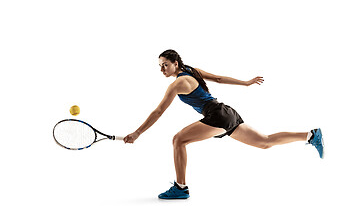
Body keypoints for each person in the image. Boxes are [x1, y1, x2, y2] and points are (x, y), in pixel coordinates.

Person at [123, 49, 324, 200]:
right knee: (265, 142)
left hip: (216, 116)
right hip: (226, 112)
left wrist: (137, 132)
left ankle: (180, 188)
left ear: (175, 63)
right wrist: (245, 83)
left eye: (165, 64)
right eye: (160, 65)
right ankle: (310, 135)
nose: (161, 69)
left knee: (178, 140)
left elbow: (158, 111)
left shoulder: (177, 84)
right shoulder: (192, 70)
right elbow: (218, 78)